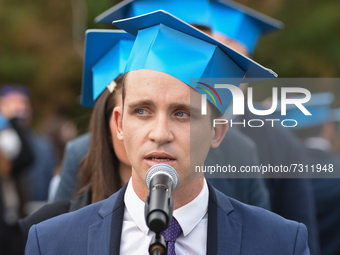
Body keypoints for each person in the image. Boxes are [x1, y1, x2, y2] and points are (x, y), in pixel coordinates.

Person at [25, 11, 309, 254]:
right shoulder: (53, 243)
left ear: (217, 132)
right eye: (142, 111)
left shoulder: (279, 243)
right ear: (120, 124)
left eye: (182, 113)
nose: (160, 134)